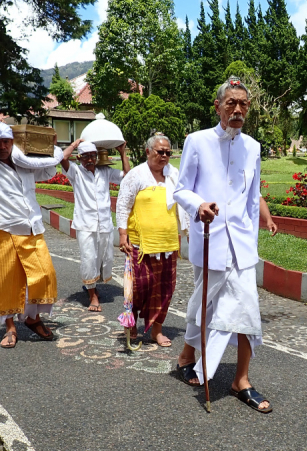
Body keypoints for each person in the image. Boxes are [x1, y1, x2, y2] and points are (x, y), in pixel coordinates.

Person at [174, 76, 272, 413]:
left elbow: (252, 196)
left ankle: (240, 379)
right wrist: (198, 205)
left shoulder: (254, 147)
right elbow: (181, 189)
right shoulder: (197, 141)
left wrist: (252, 241)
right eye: (231, 103)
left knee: (246, 308)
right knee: (206, 304)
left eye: (243, 103)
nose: (238, 109)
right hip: (210, 239)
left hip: (241, 247)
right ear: (217, 106)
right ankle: (188, 354)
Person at [0, 118, 68, 348]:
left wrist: (50, 148)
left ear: (13, 142)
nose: (2, 146)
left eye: (6, 141)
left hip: (32, 228)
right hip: (5, 230)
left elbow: (46, 172)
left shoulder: (23, 163)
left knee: (44, 275)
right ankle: (10, 327)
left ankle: (33, 319)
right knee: (7, 282)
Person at [116, 132, 187, 346]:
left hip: (167, 244)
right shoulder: (136, 175)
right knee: (139, 287)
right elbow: (123, 204)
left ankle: (157, 330)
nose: (164, 156)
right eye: (160, 152)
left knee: (164, 289)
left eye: (168, 152)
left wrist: (181, 235)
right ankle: (132, 324)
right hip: (141, 245)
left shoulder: (173, 176)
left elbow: (180, 209)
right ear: (148, 152)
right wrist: (122, 235)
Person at [60, 141, 130, 312]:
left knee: (103, 259)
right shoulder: (76, 172)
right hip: (85, 224)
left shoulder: (104, 172)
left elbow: (128, 177)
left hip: (104, 223)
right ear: (80, 157)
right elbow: (62, 157)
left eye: (93, 156)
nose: (90, 159)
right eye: (86, 156)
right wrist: (77, 142)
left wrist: (122, 153)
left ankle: (90, 286)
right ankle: (93, 296)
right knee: (89, 259)